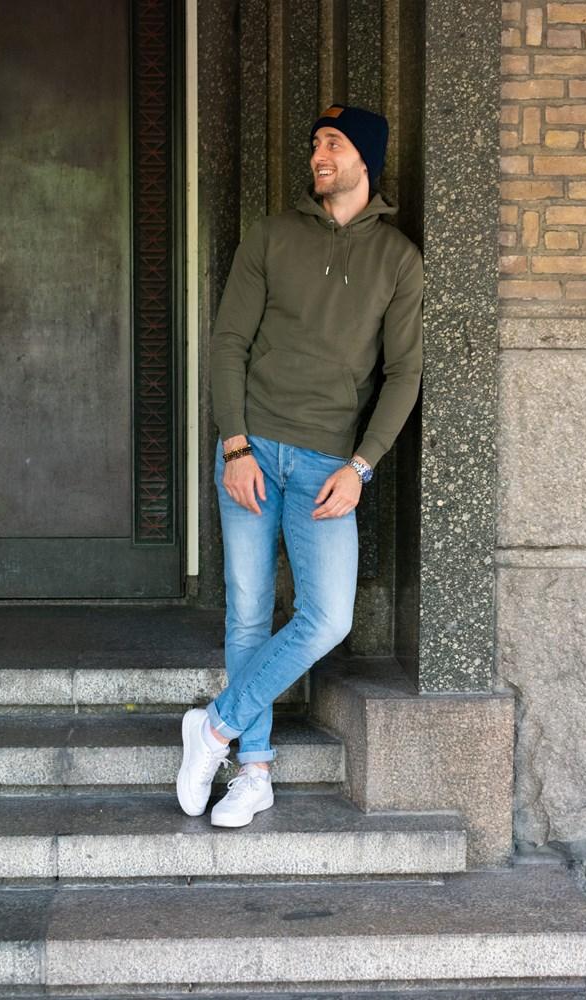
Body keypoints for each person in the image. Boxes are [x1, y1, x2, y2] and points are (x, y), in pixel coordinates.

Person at [176, 104, 424, 827]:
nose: (318, 153)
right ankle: (252, 772)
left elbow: (404, 373)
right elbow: (228, 343)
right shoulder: (271, 235)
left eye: (333, 143)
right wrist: (234, 444)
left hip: (327, 464)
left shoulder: (397, 259)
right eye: (315, 141)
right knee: (248, 613)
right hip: (252, 450)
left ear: (364, 159)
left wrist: (362, 466)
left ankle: (213, 728)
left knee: (327, 618)